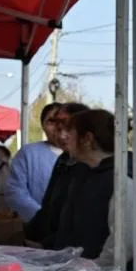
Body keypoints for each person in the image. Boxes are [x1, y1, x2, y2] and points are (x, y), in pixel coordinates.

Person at [50, 108, 131, 267]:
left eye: (70, 133)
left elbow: (123, 243)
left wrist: (94, 268)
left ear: (87, 139)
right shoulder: (82, 173)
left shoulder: (122, 178)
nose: (64, 137)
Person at [25, 102, 90, 246]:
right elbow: (48, 207)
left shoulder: (92, 163)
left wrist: (48, 244)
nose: (61, 136)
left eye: (68, 130)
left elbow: (84, 221)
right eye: (58, 129)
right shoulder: (64, 160)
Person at [4, 102, 63, 223]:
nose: (58, 126)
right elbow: (15, 192)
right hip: (36, 225)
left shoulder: (84, 155)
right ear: (43, 126)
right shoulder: (29, 153)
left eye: (63, 121)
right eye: (51, 121)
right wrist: (41, 218)